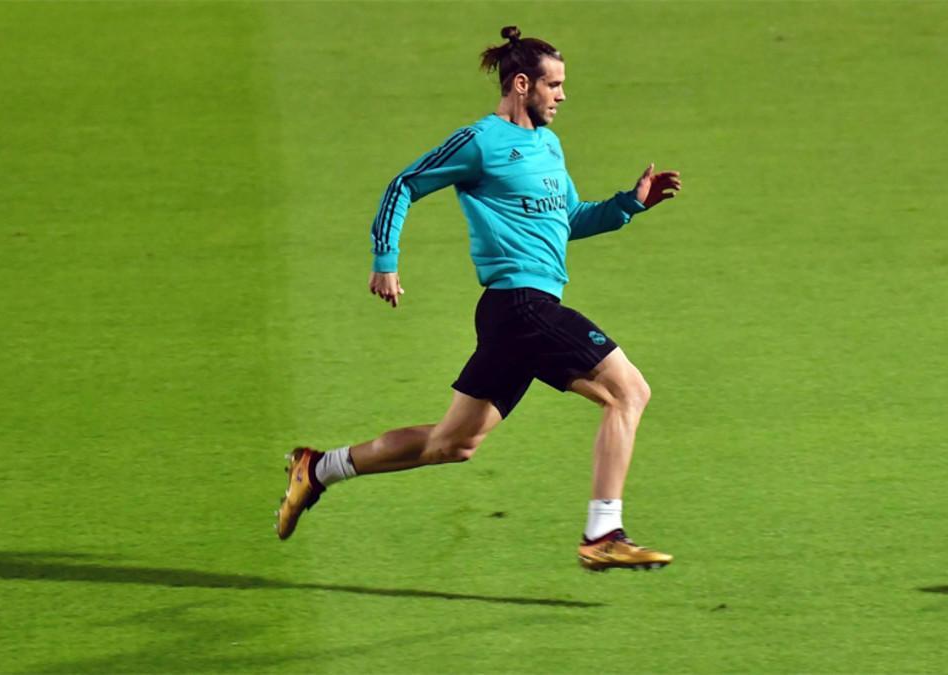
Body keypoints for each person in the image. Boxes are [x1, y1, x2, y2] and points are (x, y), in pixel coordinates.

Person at [276, 25, 682, 572]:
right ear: (522, 84)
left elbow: (565, 220)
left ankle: (318, 469)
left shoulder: (549, 145)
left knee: (452, 444)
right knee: (629, 392)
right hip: (520, 305)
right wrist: (385, 260)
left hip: (518, 315)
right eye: (554, 85)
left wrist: (628, 205)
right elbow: (404, 184)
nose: (562, 96)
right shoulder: (479, 142)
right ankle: (603, 531)